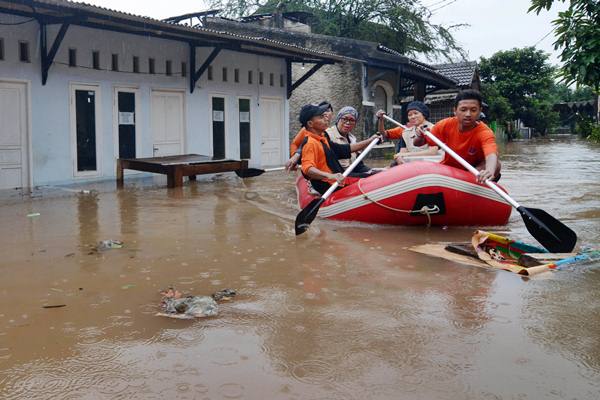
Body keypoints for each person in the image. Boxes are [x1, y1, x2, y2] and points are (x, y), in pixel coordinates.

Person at [412, 89, 501, 183]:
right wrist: (420, 136)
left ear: (480, 111)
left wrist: (490, 170)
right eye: (463, 110)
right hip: (450, 170)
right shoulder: (445, 125)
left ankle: (480, 183)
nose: (468, 114)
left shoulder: (485, 132)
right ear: (455, 110)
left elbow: (491, 154)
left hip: (474, 171)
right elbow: (418, 143)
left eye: (473, 110)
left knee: (497, 165)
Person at [298, 103, 380, 195]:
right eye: (321, 117)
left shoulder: (322, 139)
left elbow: (344, 149)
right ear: (310, 123)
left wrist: (370, 140)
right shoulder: (310, 143)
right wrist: (330, 176)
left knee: (375, 175)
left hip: (340, 177)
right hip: (331, 184)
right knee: (372, 180)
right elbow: (307, 169)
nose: (326, 118)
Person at [375, 101, 439, 165]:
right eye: (409, 115)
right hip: (411, 165)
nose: (412, 117)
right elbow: (402, 152)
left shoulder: (434, 129)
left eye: (416, 113)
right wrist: (399, 157)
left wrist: (405, 155)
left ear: (424, 114)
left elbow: (433, 152)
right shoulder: (406, 132)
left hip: (431, 166)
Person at [326, 106, 376, 174]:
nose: (348, 123)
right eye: (344, 119)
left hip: (351, 175)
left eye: (352, 120)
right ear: (338, 119)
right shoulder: (328, 135)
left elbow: (358, 165)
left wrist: (371, 172)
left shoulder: (352, 139)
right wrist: (370, 140)